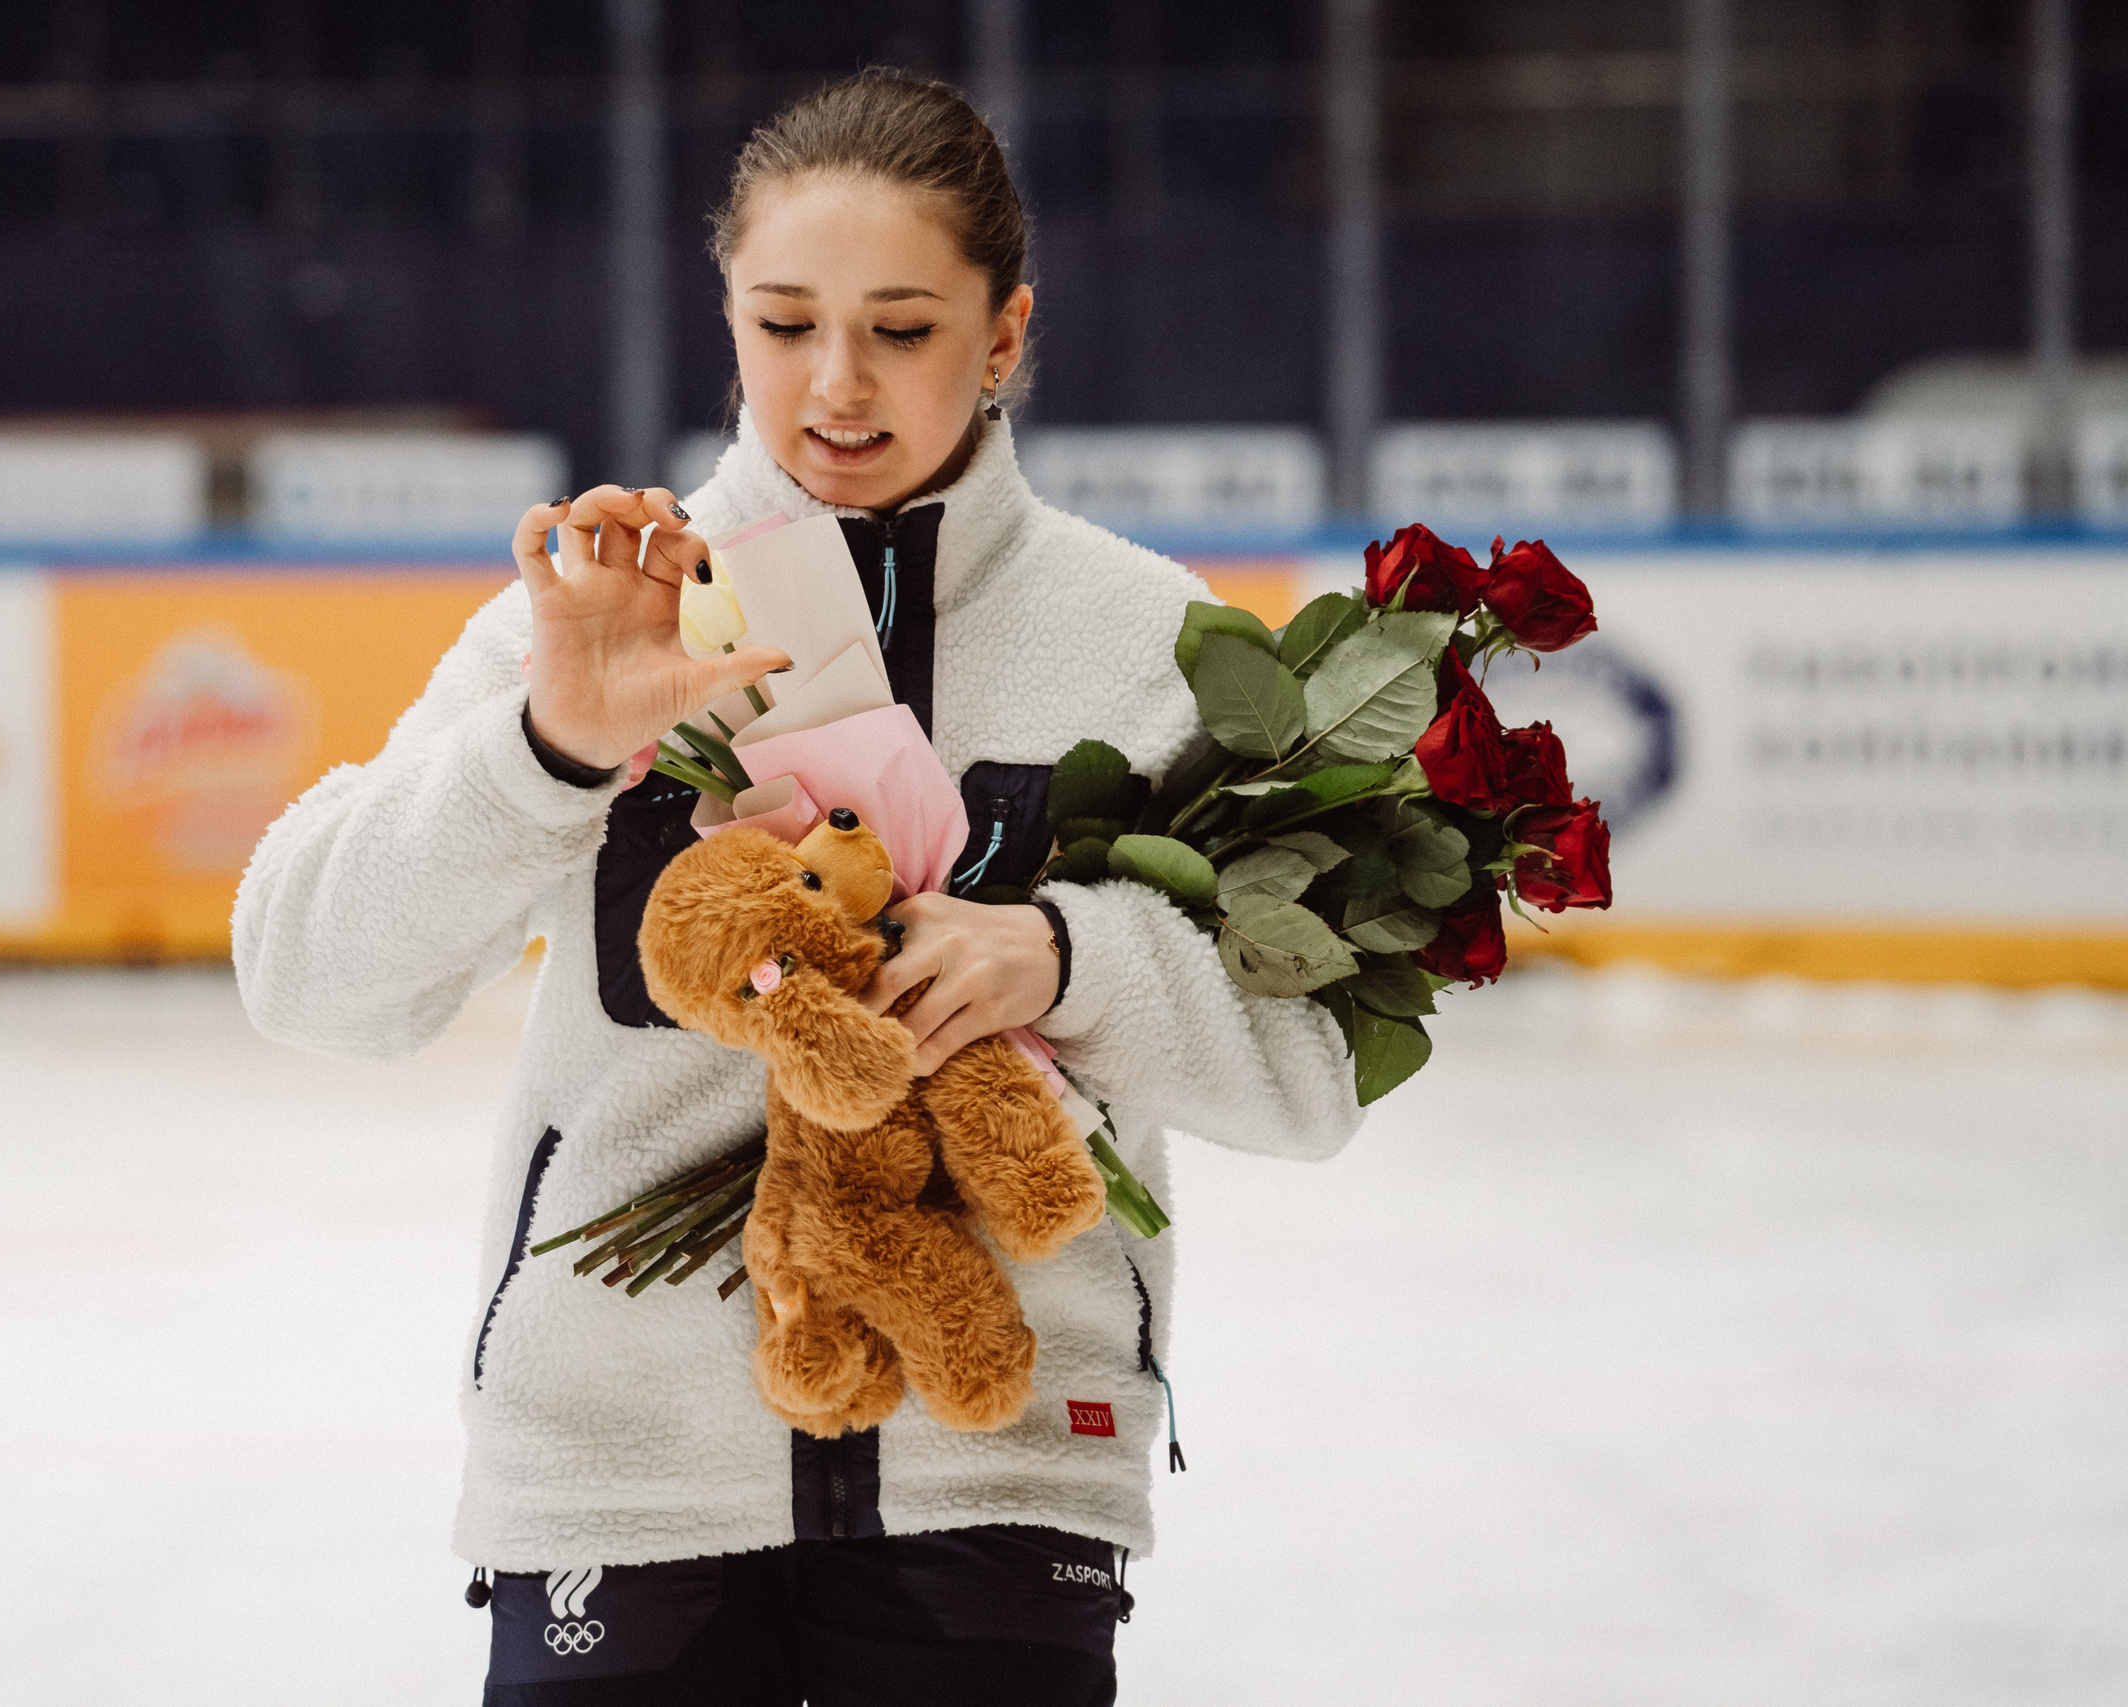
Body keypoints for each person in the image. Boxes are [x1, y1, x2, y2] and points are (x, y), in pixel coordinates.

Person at [234, 68, 1360, 1707]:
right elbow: (307, 977)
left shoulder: (1149, 647)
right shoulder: (618, 610)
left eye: (902, 329)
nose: (835, 385)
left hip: (1005, 1459)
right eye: (785, 323)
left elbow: (1315, 1070)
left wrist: (1069, 956)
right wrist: (550, 746)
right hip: (621, 1470)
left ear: (1004, 333)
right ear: (729, 319)